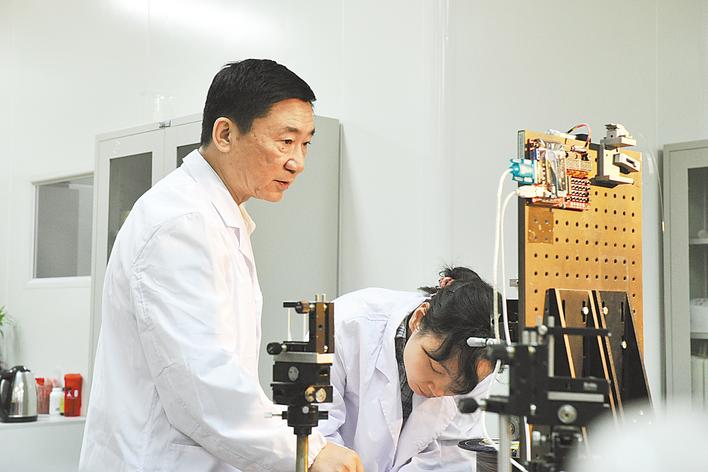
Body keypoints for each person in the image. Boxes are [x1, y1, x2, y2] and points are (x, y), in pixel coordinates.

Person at [80, 59, 362, 472]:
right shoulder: (180, 221)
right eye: (285, 141)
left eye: (305, 144)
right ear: (225, 134)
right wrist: (307, 452)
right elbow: (201, 382)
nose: (298, 161)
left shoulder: (216, 218)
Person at [316, 266, 497, 471]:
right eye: (436, 368)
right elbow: (316, 436)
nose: (438, 391)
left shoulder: (481, 361)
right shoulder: (345, 323)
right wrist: (323, 454)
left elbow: (451, 456)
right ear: (418, 319)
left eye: (456, 387)